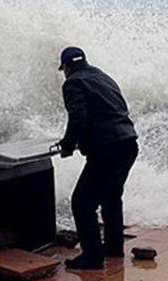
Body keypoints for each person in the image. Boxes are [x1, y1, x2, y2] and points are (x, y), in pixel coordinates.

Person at [57, 46, 139, 270]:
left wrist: (67, 144)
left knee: (82, 202)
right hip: (128, 143)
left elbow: (78, 116)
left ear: (66, 67)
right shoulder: (103, 77)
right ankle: (113, 247)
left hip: (108, 149)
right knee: (111, 197)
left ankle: (92, 257)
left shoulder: (72, 82)